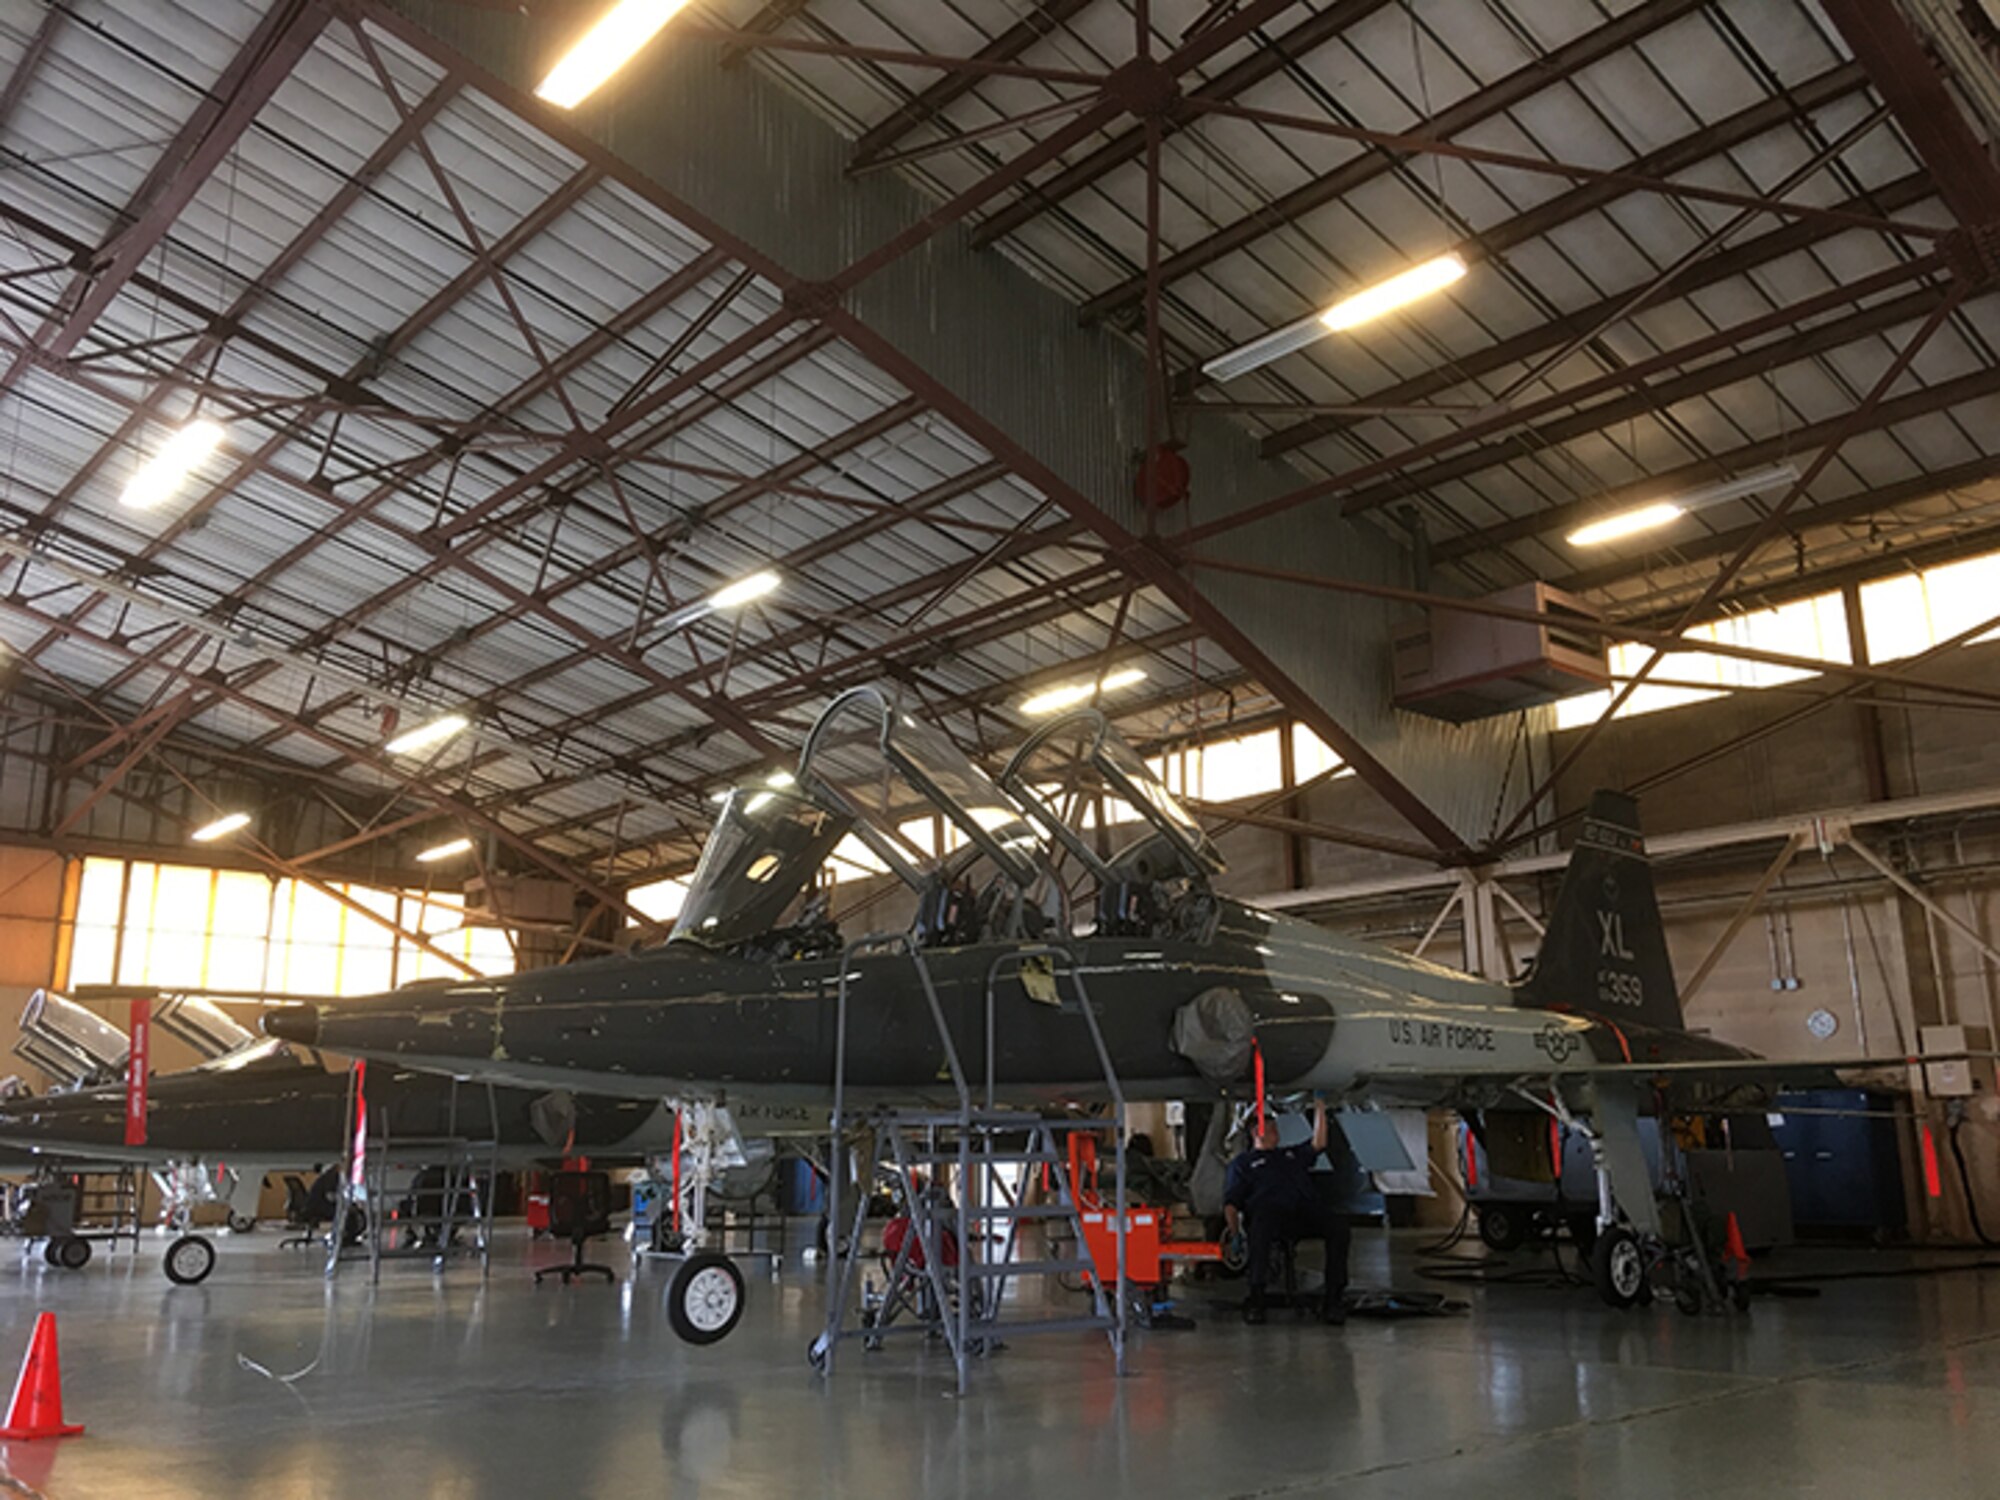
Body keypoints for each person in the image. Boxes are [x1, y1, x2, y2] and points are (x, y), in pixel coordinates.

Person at [1223, 1100, 1351, 1325]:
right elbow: (1231, 1202)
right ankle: (1257, 1297)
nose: (1277, 1134)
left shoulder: (1289, 1155)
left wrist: (1320, 1109)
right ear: (1257, 1133)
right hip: (1268, 1216)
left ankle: (1334, 1298)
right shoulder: (1243, 1164)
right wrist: (1235, 1233)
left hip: (1302, 1213)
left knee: (1338, 1226)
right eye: (1272, 1130)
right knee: (1260, 1229)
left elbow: (1318, 1144)